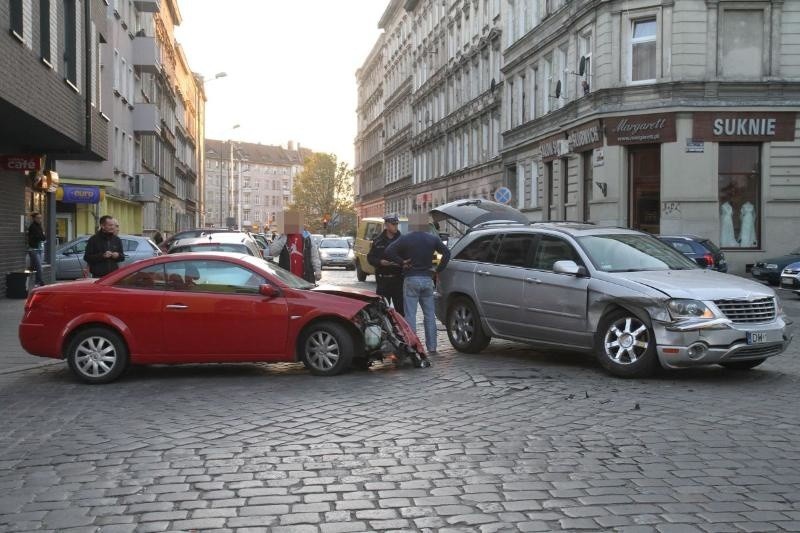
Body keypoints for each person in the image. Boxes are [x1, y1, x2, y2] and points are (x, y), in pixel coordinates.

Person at [384, 214, 451, 354]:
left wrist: (402, 262)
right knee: (429, 315)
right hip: (427, 279)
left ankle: (413, 346)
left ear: (412, 225)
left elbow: (389, 251)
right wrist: (437, 269)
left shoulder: (406, 239)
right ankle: (432, 347)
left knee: (410, 315)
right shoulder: (432, 239)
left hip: (411, 279)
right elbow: (446, 253)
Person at [367, 214, 404, 316]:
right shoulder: (378, 241)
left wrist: (400, 262)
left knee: (401, 311)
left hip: (398, 280)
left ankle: (401, 331)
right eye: (393, 224)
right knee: (381, 311)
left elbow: (408, 257)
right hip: (383, 280)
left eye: (397, 224)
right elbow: (370, 258)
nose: (396, 226)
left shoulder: (402, 240)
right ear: (387, 225)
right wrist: (380, 262)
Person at [26, 212, 46, 287]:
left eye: (40, 218)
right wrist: (41, 236)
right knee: (39, 268)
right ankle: (39, 282)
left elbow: (43, 237)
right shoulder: (33, 227)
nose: (40, 219)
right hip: (33, 250)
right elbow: (39, 237)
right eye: (38, 218)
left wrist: (41, 236)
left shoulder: (39, 226)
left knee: (36, 267)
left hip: (39, 249)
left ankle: (35, 283)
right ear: (34, 218)